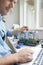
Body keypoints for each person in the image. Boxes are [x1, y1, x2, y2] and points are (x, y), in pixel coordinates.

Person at [0, 0, 33, 65]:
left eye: (14, 2)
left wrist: (20, 29)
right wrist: (17, 56)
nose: (12, 6)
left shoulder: (1, 20)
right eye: (10, 0)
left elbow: (7, 32)